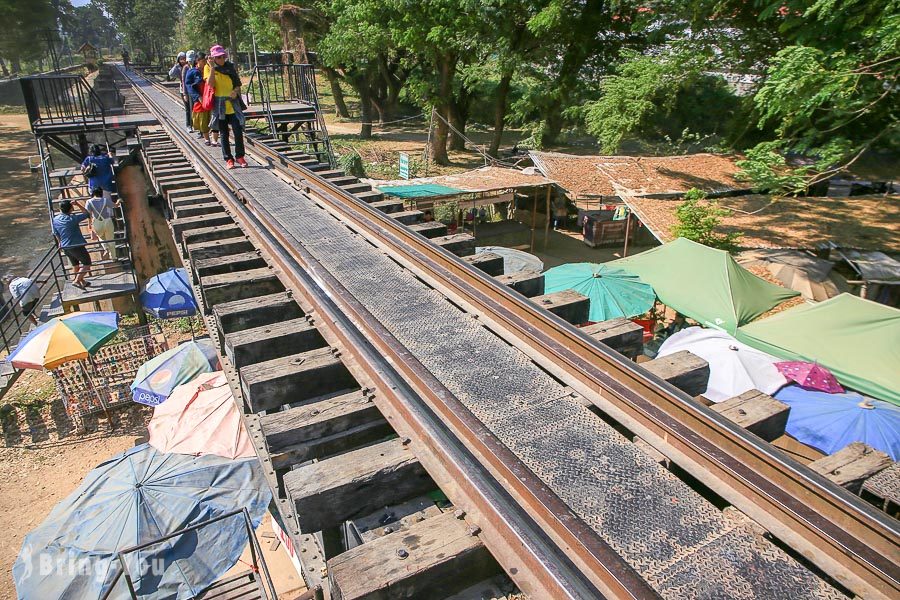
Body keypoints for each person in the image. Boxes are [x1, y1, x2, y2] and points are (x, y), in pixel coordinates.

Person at [206, 44, 246, 169]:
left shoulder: (230, 67)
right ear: (213, 58)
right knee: (224, 133)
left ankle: (240, 156)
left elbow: (238, 84)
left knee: (238, 131)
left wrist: (235, 91)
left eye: (223, 57)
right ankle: (228, 159)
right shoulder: (208, 68)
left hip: (232, 104)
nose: (221, 60)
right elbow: (210, 85)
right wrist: (212, 68)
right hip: (219, 105)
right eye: (218, 57)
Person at [52, 200, 92, 289]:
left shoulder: (55, 220)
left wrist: (60, 243)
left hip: (65, 246)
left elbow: (55, 233)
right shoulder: (73, 219)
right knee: (87, 264)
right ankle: (77, 280)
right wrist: (78, 204)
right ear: (71, 209)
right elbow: (87, 214)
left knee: (75, 265)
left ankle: (82, 281)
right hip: (76, 245)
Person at [185, 51, 213, 145]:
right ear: (198, 61)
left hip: (210, 96)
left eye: (206, 60)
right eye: (203, 60)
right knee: (202, 118)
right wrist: (198, 97)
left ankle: (213, 136)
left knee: (213, 116)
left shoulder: (209, 69)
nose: (205, 62)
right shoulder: (192, 72)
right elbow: (189, 86)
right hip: (200, 98)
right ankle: (206, 138)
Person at [85, 187, 120, 260]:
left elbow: (88, 214)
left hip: (97, 222)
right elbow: (115, 206)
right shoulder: (105, 200)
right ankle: (113, 257)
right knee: (111, 240)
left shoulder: (89, 202)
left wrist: (89, 224)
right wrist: (118, 201)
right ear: (101, 193)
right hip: (107, 221)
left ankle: (106, 248)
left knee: (100, 237)